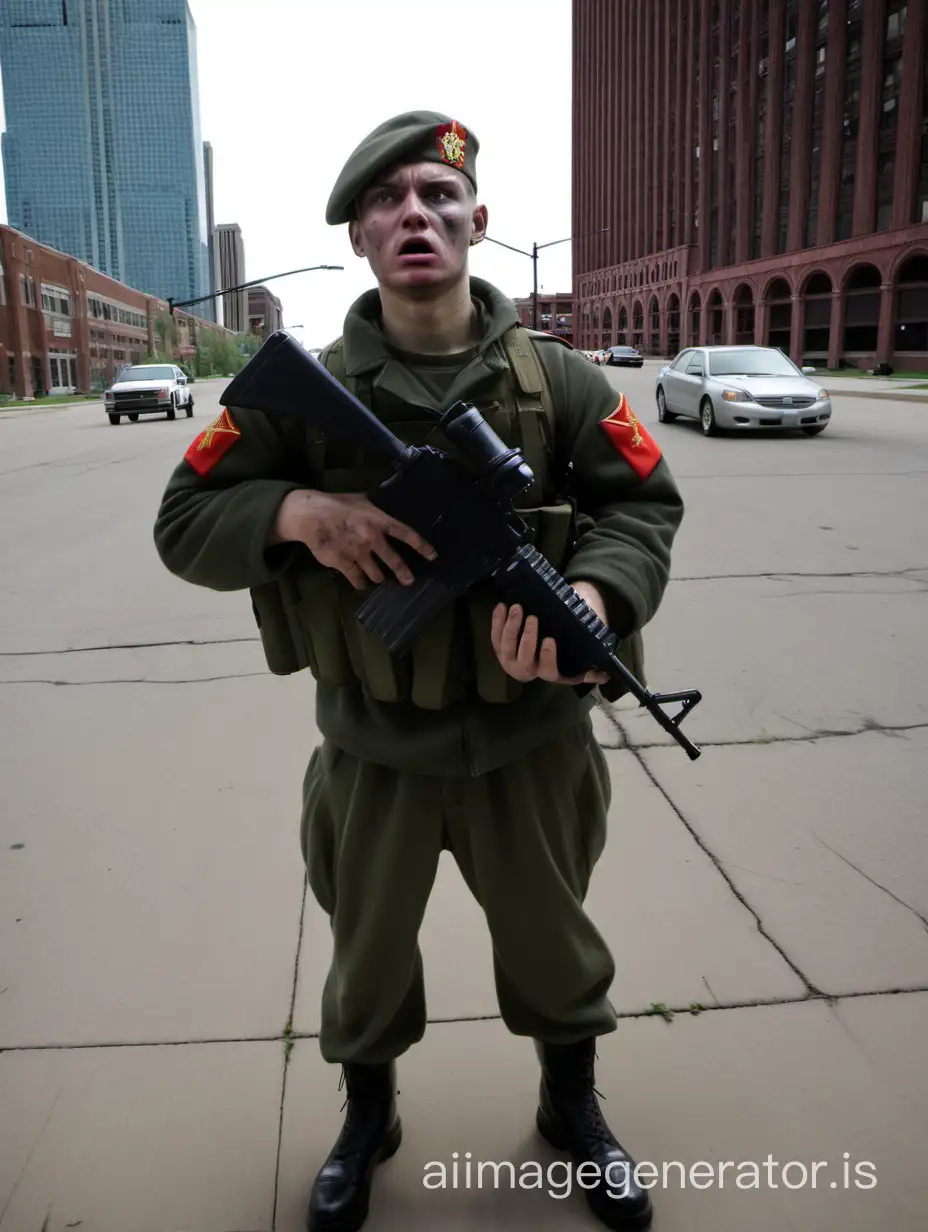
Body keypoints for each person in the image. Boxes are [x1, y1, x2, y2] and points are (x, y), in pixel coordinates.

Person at [153, 110, 684, 1232]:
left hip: (533, 743)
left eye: (438, 199)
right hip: (373, 745)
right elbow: (185, 517)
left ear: (477, 223)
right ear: (359, 236)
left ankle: (571, 1106)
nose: (415, 216)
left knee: (556, 943)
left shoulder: (560, 383)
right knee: (368, 950)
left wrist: (593, 592)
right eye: (388, 201)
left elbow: (641, 506)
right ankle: (366, 1114)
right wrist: (295, 506)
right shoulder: (296, 390)